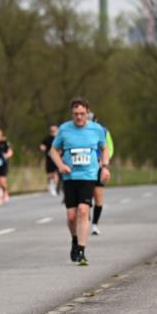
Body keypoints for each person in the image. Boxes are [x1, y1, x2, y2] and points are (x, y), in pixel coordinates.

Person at [47, 97, 109, 266]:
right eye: (76, 114)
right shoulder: (64, 129)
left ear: (87, 113)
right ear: (72, 114)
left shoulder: (96, 129)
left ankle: (81, 250)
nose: (79, 117)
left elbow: (105, 149)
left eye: (82, 114)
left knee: (83, 211)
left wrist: (105, 167)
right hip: (70, 177)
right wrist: (61, 166)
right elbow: (53, 151)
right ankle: (75, 239)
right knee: (71, 216)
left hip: (88, 176)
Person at [87, 108, 114, 236]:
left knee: (98, 196)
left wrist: (104, 163)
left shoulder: (103, 131)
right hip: (84, 167)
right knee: (86, 195)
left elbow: (109, 148)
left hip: (98, 166)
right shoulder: (78, 130)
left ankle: (95, 224)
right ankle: (85, 215)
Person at [39, 124, 60, 196]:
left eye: (54, 130)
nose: (52, 132)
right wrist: (42, 147)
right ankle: (50, 185)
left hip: (58, 159)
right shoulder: (47, 139)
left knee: (56, 174)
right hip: (49, 159)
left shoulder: (60, 138)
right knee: (50, 174)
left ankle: (55, 187)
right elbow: (42, 145)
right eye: (51, 131)